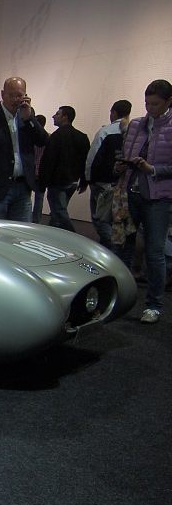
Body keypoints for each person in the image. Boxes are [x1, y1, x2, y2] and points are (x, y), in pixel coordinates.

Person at [112, 79, 172, 323]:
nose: (150, 108)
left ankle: (154, 305)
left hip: (159, 198)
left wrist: (153, 169)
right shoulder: (136, 124)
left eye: (155, 104)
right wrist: (120, 167)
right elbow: (125, 155)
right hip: (130, 193)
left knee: (154, 251)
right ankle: (118, 297)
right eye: (147, 103)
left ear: (168, 102)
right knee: (122, 246)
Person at [0, 76, 49, 221]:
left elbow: (43, 140)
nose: (15, 100)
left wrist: (29, 119)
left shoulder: (26, 117)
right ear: (2, 94)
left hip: (23, 188)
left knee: (21, 232)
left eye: (19, 95)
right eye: (11, 95)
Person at [84, 99, 132, 249]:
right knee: (118, 219)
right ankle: (113, 245)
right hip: (124, 183)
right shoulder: (133, 133)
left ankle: (112, 247)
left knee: (100, 218)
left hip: (102, 181)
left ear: (113, 113)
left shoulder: (105, 131)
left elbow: (92, 158)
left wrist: (88, 178)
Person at [38, 105, 90, 232]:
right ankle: (51, 235)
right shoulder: (82, 137)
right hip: (73, 181)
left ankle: (73, 236)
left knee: (59, 212)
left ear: (65, 117)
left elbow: (48, 161)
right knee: (58, 211)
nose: (53, 116)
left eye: (57, 114)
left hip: (58, 182)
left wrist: (42, 183)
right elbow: (86, 161)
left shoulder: (56, 137)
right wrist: (84, 181)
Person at [31, 114, 49, 223]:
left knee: (26, 196)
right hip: (42, 171)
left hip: (31, 170)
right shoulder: (48, 137)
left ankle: (29, 219)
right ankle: (36, 220)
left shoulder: (31, 138)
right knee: (39, 198)